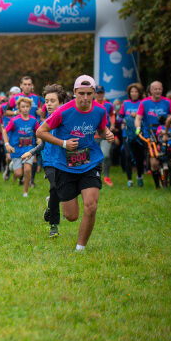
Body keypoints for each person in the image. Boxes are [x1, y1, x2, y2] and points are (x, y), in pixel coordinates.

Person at [36, 75, 114, 251]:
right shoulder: (63, 111)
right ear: (75, 93)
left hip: (90, 161)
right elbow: (41, 132)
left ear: (94, 93)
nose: (85, 98)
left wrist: (107, 134)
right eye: (81, 94)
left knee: (91, 206)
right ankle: (59, 198)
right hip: (65, 164)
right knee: (71, 216)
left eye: (89, 94)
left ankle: (81, 247)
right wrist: (64, 144)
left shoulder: (100, 111)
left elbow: (101, 129)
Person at [23, 84, 67, 238]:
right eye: (47, 101)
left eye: (52, 101)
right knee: (54, 187)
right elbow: (42, 143)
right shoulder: (45, 123)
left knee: (63, 192)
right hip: (49, 161)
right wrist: (32, 152)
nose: (48, 104)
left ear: (61, 103)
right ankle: (53, 226)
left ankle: (50, 206)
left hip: (65, 161)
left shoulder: (68, 120)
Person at [135, 81, 171, 188]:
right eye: (155, 89)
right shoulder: (144, 103)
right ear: (151, 90)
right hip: (151, 134)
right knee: (154, 162)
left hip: (165, 132)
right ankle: (157, 186)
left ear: (162, 90)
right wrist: (138, 128)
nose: (158, 91)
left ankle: (169, 181)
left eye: (159, 89)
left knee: (169, 158)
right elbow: (138, 118)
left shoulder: (168, 102)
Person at [5, 96, 40, 197]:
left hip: (29, 148)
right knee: (19, 173)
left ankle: (25, 191)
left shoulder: (33, 120)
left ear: (30, 108)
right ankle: (12, 166)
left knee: (28, 169)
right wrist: (7, 144)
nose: (25, 109)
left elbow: (38, 132)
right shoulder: (14, 121)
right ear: (19, 108)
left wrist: (39, 138)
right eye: (23, 107)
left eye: (27, 106)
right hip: (16, 149)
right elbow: (4, 131)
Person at [121, 82, 145, 187]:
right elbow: (119, 117)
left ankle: (140, 176)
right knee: (127, 156)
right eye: (132, 91)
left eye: (136, 91)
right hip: (126, 134)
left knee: (139, 157)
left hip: (139, 134)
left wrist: (138, 116)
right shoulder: (125, 104)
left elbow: (146, 118)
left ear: (139, 93)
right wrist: (124, 121)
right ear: (129, 93)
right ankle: (129, 180)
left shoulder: (143, 103)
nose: (134, 93)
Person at [94, 86, 115, 186]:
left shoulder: (108, 105)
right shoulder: (91, 104)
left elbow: (112, 114)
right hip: (94, 136)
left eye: (101, 92)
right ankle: (96, 176)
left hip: (105, 134)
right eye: (98, 93)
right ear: (95, 94)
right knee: (95, 157)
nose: (99, 95)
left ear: (104, 93)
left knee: (106, 155)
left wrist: (113, 124)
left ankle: (106, 176)